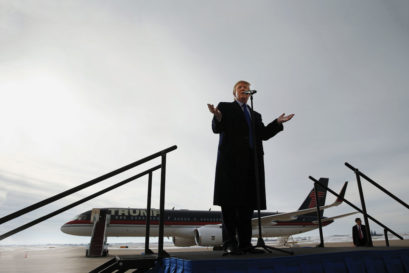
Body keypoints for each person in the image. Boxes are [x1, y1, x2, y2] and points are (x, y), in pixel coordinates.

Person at [207, 80, 294, 255]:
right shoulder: (225, 107)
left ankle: (246, 244)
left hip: (251, 165)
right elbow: (218, 128)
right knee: (230, 206)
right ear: (234, 93)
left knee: (247, 208)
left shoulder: (255, 115)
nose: (244, 91)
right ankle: (230, 243)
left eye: (247, 89)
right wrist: (217, 116)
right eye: (241, 88)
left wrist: (277, 123)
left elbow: (263, 134)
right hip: (231, 164)